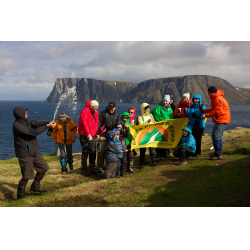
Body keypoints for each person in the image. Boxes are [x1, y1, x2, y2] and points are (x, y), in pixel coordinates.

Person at [12, 106, 56, 200]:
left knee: (43, 168)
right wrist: (47, 126)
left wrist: (48, 122)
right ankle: (20, 195)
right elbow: (33, 132)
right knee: (27, 176)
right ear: (20, 114)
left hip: (34, 151)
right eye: (25, 113)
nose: (27, 114)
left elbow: (37, 123)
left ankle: (35, 186)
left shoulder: (27, 121)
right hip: (25, 153)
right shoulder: (17, 125)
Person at [201, 86, 231, 160]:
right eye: (208, 93)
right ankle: (218, 153)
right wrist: (205, 110)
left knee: (216, 136)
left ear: (213, 92)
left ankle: (218, 154)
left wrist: (205, 115)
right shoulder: (216, 98)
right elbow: (214, 109)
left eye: (209, 93)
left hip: (222, 119)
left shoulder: (217, 99)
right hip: (222, 119)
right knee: (217, 136)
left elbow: (217, 111)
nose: (209, 94)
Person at [97, 102, 121, 173]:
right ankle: (100, 166)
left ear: (115, 108)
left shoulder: (116, 115)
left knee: (111, 151)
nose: (110, 109)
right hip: (103, 135)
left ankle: (108, 166)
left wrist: (120, 127)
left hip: (112, 136)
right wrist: (98, 133)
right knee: (101, 151)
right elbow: (99, 123)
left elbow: (119, 122)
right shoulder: (103, 113)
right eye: (109, 108)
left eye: (112, 108)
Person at [78, 100, 100, 175]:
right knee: (85, 151)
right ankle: (84, 168)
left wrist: (96, 133)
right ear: (92, 106)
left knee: (93, 151)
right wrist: (88, 133)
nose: (97, 107)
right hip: (85, 135)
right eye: (96, 106)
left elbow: (96, 123)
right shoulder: (85, 111)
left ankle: (92, 167)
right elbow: (84, 123)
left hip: (92, 135)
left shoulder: (95, 112)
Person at [150, 95, 174, 160]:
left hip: (166, 127)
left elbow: (171, 117)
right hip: (159, 126)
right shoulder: (159, 107)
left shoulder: (170, 109)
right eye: (164, 101)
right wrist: (162, 120)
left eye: (166, 101)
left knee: (164, 140)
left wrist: (168, 120)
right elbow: (155, 115)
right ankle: (157, 155)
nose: (165, 102)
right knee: (158, 140)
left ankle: (163, 155)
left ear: (168, 101)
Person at [137, 103, 158, 167]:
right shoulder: (140, 117)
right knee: (143, 149)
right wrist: (148, 122)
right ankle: (142, 162)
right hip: (143, 135)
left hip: (150, 134)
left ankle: (154, 160)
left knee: (152, 148)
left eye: (148, 108)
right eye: (146, 108)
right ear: (143, 109)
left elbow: (153, 122)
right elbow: (141, 126)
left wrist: (155, 123)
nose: (148, 109)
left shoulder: (151, 115)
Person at [126, 107, 137, 173]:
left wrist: (133, 126)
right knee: (124, 154)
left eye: (132, 112)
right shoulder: (125, 119)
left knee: (130, 154)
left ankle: (130, 167)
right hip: (125, 140)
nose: (130, 113)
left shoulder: (136, 120)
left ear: (134, 113)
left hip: (132, 140)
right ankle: (124, 166)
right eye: (129, 112)